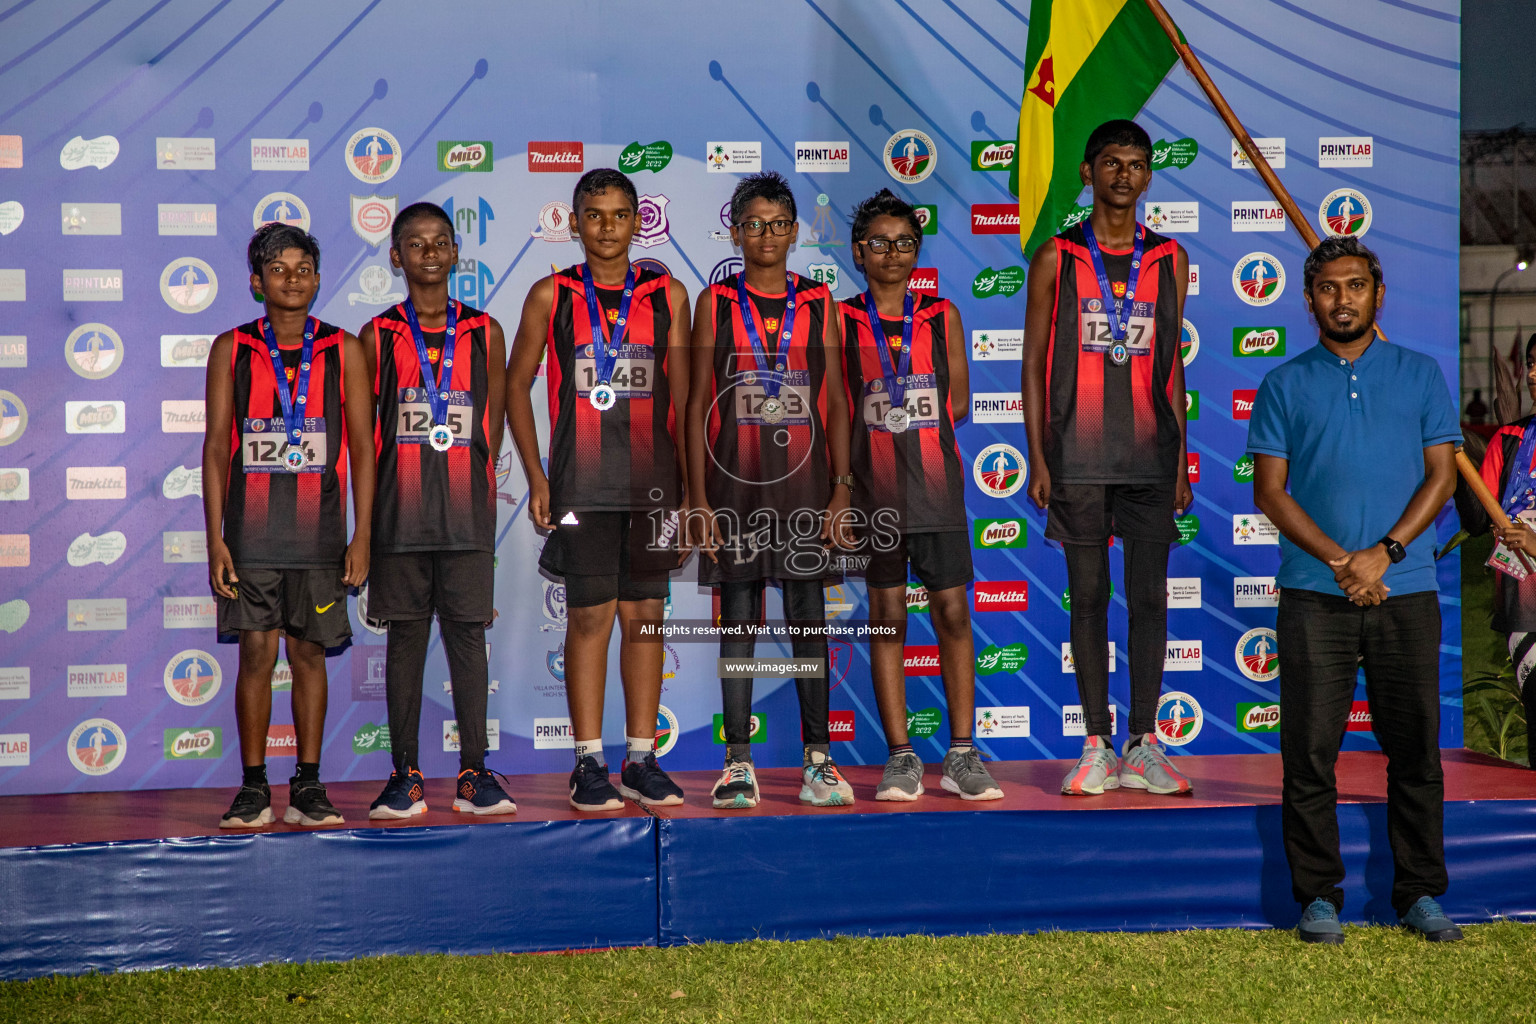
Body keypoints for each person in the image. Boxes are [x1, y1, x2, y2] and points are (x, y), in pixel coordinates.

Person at [1249, 234, 1463, 944]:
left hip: (1407, 590)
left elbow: (1442, 475)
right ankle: (1318, 899)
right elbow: (1271, 493)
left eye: (1356, 286)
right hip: (1315, 594)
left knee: (1416, 751)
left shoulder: (1421, 374)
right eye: (1330, 287)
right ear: (1310, 298)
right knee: (1309, 753)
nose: (1343, 298)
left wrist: (1387, 553)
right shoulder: (1284, 384)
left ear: (1377, 295)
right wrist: (1346, 561)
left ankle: (1420, 895)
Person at [506, 168, 692, 811]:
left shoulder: (669, 293)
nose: (607, 226)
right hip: (581, 484)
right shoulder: (549, 295)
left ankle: (640, 758)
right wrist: (537, 476)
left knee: (646, 618)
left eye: (619, 214)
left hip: (653, 490)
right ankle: (588, 763)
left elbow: (689, 399)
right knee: (589, 619)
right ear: (574, 220)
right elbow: (514, 388)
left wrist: (691, 495)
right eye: (595, 214)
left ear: (638, 220)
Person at [1020, 119, 1194, 797]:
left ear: (1149, 175)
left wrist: (1180, 464)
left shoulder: (1170, 258)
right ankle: (1095, 743)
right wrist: (1038, 455)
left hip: (1151, 456)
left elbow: (1172, 366)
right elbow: (1033, 364)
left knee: (1149, 598)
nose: (1125, 174)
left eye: (1137, 164)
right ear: (1088, 173)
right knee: (1089, 597)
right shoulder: (1057, 257)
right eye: (1112, 163)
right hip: (1079, 457)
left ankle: (1143, 743)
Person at [686, 170, 854, 809]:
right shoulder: (716, 303)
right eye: (752, 224)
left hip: (807, 491)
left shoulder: (818, 303)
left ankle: (819, 760)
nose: (765, 236)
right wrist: (698, 498)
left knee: (809, 622)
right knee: (739, 626)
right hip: (733, 492)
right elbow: (699, 401)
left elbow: (835, 398)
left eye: (778, 225)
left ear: (794, 233)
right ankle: (737, 763)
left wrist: (840, 488)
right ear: (735, 232)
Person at [203, 222, 374, 828]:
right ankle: (253, 787)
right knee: (255, 653)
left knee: (309, 656)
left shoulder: (343, 348)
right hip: (250, 536)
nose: (292, 279)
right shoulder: (233, 348)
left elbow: (362, 448)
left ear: (319, 279)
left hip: (320, 537)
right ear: (256, 282)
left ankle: (308, 785)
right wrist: (215, 538)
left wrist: (363, 536)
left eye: (303, 269)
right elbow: (217, 448)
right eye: (278, 270)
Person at [839, 188, 1001, 802]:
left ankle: (962, 754)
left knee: (954, 613)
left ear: (917, 252)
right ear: (859, 252)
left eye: (905, 243)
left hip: (935, 490)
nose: (892, 254)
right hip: (874, 494)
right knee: (886, 620)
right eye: (879, 243)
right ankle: (901, 757)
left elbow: (956, 401)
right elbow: (836, 410)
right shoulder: (840, 319)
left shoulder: (941, 315)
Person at [361, 202, 515, 819]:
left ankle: (475, 772)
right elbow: (367, 432)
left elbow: (492, 430)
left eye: (440, 242)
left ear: (455, 254)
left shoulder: (485, 331)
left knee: (468, 642)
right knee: (405, 644)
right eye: (415, 244)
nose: (429, 253)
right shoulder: (378, 336)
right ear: (397, 256)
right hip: (399, 521)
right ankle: (406, 775)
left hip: (465, 517)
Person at [1462, 331, 1536, 766]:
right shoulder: (1509, 439)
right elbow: (1476, 520)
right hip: (1524, 607)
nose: (1531, 374)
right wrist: (1454, 462)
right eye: (1529, 363)